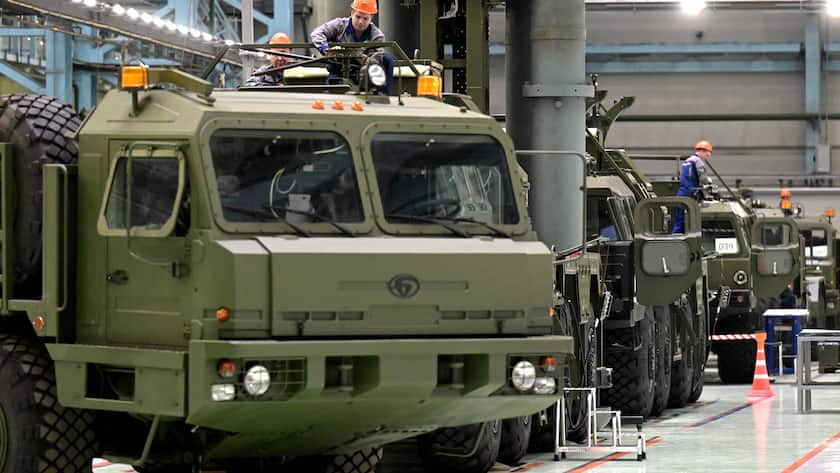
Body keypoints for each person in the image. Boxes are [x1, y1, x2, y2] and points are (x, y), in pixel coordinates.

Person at [310, 0, 394, 94]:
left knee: (387, 59)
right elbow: (317, 33)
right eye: (358, 17)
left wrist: (366, 60)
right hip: (339, 71)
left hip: (364, 74)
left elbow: (378, 59)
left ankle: (382, 95)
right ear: (352, 13)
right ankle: (336, 86)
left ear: (371, 18)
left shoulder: (377, 36)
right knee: (335, 88)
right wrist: (326, 49)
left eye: (365, 18)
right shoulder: (339, 25)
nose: (361, 21)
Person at [673, 140, 714, 233]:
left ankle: (675, 238)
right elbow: (703, 179)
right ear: (702, 151)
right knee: (688, 220)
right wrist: (709, 182)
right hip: (690, 194)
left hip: (682, 193)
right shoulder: (698, 162)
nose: (707, 157)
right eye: (707, 154)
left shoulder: (687, 161)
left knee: (679, 220)